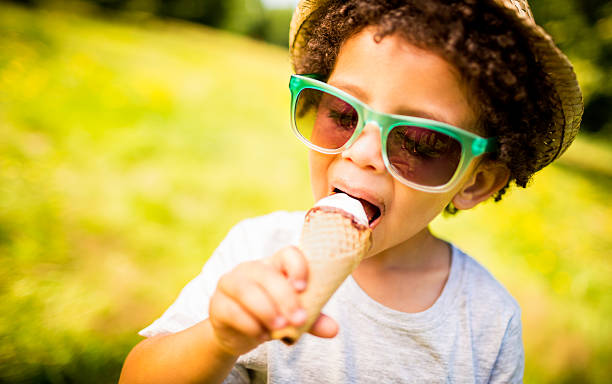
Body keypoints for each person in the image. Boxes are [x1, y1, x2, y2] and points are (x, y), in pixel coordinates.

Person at [119, 0, 582, 383]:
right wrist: (219, 339)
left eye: (421, 142)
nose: (362, 153)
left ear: (474, 181)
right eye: (342, 112)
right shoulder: (257, 251)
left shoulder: (487, 322)